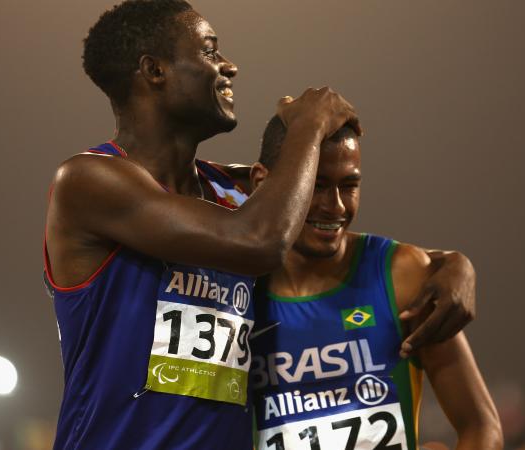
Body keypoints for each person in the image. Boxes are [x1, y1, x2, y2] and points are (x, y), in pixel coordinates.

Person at [44, 1, 476, 448]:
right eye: (210, 52)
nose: (230, 66)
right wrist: (308, 125)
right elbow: (261, 241)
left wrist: (451, 264)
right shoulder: (88, 181)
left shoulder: (230, 192)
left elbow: (324, 223)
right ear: (155, 71)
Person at [249, 117, 503, 449]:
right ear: (262, 182)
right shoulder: (237, 289)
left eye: (349, 185)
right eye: (317, 185)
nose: (336, 205)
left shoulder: (401, 275)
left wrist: (459, 263)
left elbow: (482, 427)